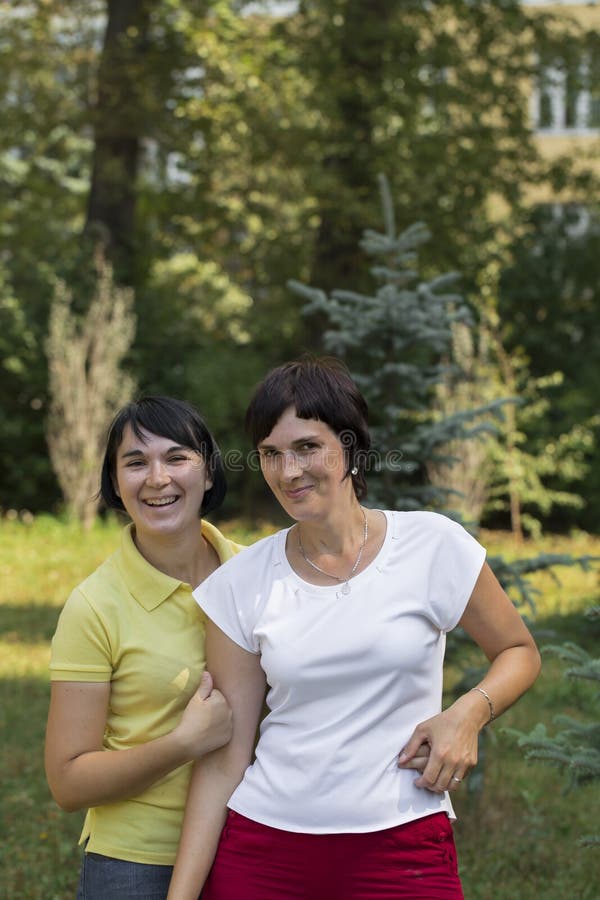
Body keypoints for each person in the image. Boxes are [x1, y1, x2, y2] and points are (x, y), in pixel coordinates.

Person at [167, 357, 542, 900]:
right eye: (271, 454)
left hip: (403, 845)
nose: (288, 471)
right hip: (264, 851)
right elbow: (227, 756)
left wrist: (467, 714)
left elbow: (518, 651)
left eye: (306, 447)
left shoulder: (433, 545)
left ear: (351, 445)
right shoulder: (241, 583)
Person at [45, 396, 243, 900]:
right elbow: (68, 783)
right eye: (136, 462)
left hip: (255, 845)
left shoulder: (258, 574)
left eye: (177, 457)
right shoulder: (94, 606)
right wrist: (182, 744)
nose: (157, 478)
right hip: (138, 864)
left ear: (209, 472)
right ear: (115, 483)